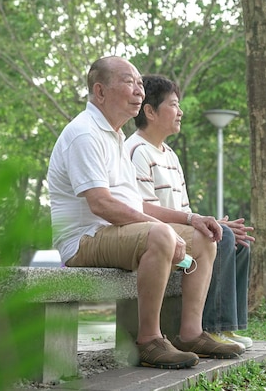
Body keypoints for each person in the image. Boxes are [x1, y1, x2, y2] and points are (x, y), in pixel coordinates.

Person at [46, 56, 244, 370]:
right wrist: (161, 229)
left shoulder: (116, 135)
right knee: (160, 235)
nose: (139, 90)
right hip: (85, 240)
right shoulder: (85, 133)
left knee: (204, 238)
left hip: (117, 232)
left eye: (140, 83)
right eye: (129, 82)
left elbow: (136, 205)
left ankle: (191, 333)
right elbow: (102, 205)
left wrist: (192, 220)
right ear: (100, 91)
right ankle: (149, 341)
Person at [125, 74, 254, 350]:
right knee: (221, 238)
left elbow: (183, 211)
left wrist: (213, 223)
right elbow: (144, 210)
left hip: (176, 232)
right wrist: (198, 223)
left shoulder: (169, 154)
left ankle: (227, 327)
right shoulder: (137, 151)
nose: (180, 111)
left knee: (235, 240)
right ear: (150, 111)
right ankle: (210, 328)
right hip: (153, 237)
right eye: (173, 104)